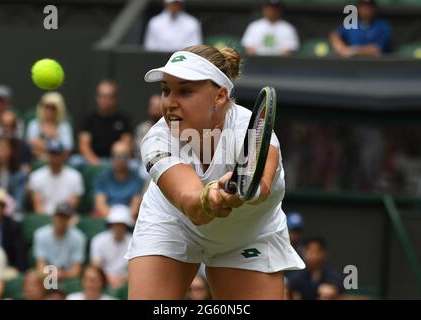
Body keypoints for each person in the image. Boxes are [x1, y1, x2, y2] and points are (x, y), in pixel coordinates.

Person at [126, 44, 305, 299]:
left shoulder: (248, 133)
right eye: (166, 90)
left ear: (220, 96)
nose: (169, 103)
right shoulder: (156, 139)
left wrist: (240, 192)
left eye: (185, 91)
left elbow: (261, 187)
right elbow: (191, 203)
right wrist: (212, 198)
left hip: (248, 235)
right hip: (172, 224)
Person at [74, 80, 133, 168]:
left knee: (135, 165)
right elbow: (84, 146)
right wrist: (96, 162)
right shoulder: (89, 119)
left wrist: (115, 162)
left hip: (117, 160)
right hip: (92, 160)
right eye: (100, 96)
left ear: (115, 99)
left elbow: (126, 144)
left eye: (107, 96)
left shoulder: (123, 119)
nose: (103, 100)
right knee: (75, 161)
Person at [27, 140, 84, 215]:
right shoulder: (36, 176)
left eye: (58, 154)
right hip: (44, 217)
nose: (55, 158)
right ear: (47, 155)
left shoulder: (75, 176)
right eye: (52, 154)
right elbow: (38, 207)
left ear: (64, 156)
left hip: (66, 217)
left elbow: (71, 206)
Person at [33, 203, 86, 281]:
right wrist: (53, 275)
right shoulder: (40, 234)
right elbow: (41, 267)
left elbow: (76, 271)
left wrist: (62, 274)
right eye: (59, 216)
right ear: (53, 217)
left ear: (70, 219)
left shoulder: (78, 237)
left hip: (68, 278)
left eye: (65, 217)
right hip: (47, 277)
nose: (61, 220)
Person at [93, 141, 144, 218]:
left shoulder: (137, 179)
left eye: (123, 156)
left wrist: (123, 221)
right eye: (115, 156)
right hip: (108, 220)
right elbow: (100, 205)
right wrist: (115, 220)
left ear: (129, 157)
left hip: (128, 220)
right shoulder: (102, 178)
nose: (119, 159)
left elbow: (135, 207)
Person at [0, 186, 27, 273]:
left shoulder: (13, 226)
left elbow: (20, 254)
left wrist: (20, 272)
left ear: (3, 208)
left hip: (6, 268)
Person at [90, 205, 133, 289]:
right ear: (111, 225)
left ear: (126, 226)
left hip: (125, 281)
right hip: (102, 280)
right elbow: (96, 265)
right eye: (116, 224)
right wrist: (108, 278)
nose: (118, 228)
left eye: (121, 225)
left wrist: (123, 279)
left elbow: (135, 269)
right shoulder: (98, 240)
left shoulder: (133, 242)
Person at [26, 92, 74, 160]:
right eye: (47, 107)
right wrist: (54, 145)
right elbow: (31, 146)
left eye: (53, 108)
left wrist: (42, 145)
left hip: (59, 161)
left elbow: (67, 149)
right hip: (36, 159)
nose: (49, 111)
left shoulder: (65, 126)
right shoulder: (33, 124)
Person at [0, 137, 28, 212]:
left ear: (11, 151)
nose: (2, 152)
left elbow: (18, 203)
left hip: (11, 214)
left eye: (4, 148)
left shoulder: (19, 175)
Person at [134, 94, 163, 159]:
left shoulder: (171, 127)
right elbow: (140, 150)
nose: (156, 111)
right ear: (149, 109)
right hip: (145, 161)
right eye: (153, 107)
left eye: (158, 107)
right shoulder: (142, 128)